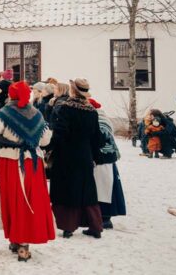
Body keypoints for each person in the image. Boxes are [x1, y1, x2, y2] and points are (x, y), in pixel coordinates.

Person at [0, 81, 55, 262]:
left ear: (12, 95)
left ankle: (19, 241)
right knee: (28, 201)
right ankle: (21, 241)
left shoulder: (5, 113)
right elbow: (47, 139)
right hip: (33, 163)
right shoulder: (37, 114)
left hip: (10, 162)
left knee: (13, 200)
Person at [49, 78, 104, 239]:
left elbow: (60, 132)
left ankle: (68, 226)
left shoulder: (66, 108)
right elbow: (97, 137)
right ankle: (95, 226)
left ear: (73, 91)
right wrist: (95, 155)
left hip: (66, 154)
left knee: (67, 188)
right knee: (87, 190)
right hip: (85, 155)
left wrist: (51, 147)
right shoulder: (91, 111)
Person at [89, 99, 126, 229]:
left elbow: (100, 139)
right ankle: (102, 216)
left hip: (104, 158)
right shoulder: (101, 118)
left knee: (104, 188)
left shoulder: (100, 121)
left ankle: (105, 218)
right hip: (105, 158)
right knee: (103, 187)